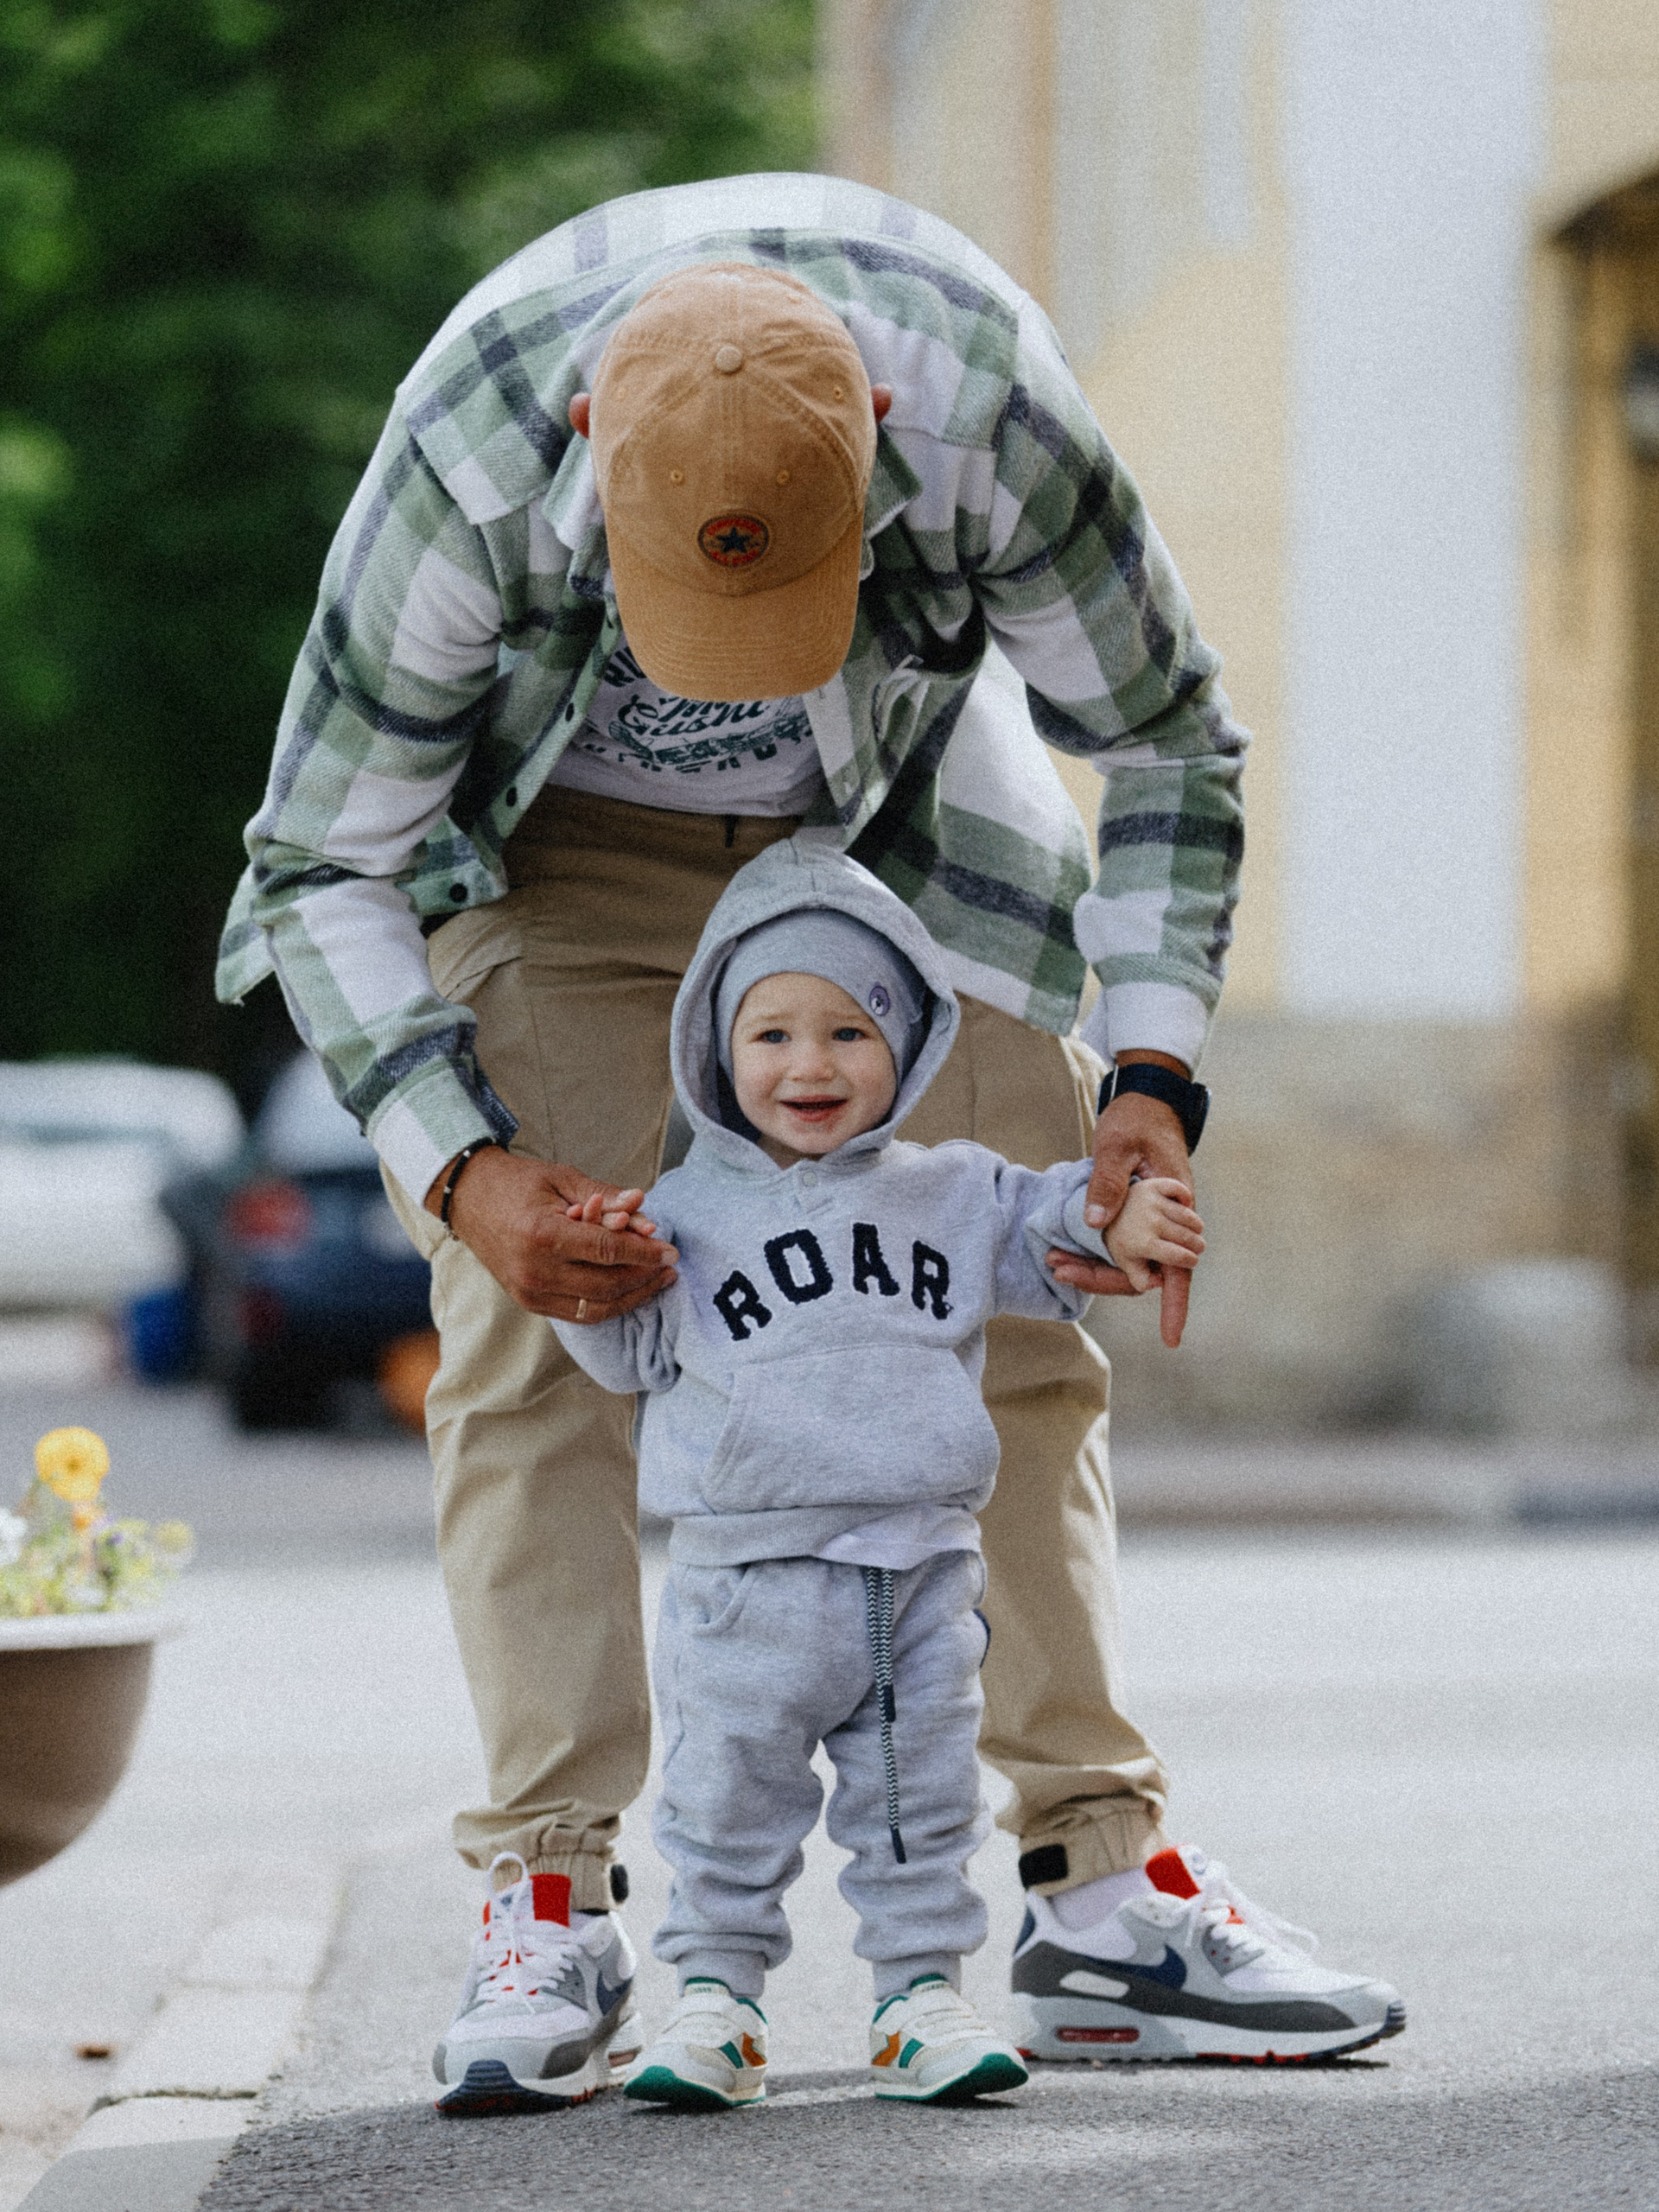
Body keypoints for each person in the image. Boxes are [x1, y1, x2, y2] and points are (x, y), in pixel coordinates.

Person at [217, 173, 1402, 2114]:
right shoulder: (465, 463)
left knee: (1022, 1297)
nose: (740, 655)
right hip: (566, 846)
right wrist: (467, 1172)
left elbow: (1171, 743)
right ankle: (547, 1891)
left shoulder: (995, 415)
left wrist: (1150, 1086)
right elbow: (319, 857)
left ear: (883, 438)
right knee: (536, 1315)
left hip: (896, 820)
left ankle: (1100, 1890)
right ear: (587, 448)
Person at [543, 839, 1210, 2110]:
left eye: (851, 1031)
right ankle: (715, 2001)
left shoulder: (954, 1190)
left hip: (916, 1577)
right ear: (717, 1051)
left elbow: (1055, 1220)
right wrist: (589, 1279)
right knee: (724, 1811)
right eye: (773, 1034)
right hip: (742, 1585)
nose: (811, 1065)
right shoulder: (677, 1213)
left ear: (906, 1044)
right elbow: (626, 1357)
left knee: (921, 1811)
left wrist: (1122, 1215)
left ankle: (920, 1999)